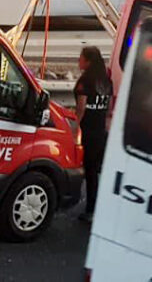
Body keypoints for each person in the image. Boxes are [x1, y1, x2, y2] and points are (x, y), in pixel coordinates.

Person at [74, 45, 113, 222]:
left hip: (88, 131)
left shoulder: (85, 81)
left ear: (88, 61)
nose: (78, 61)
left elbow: (81, 108)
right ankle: (98, 207)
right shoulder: (106, 81)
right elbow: (109, 109)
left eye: (81, 58)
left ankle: (90, 210)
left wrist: (74, 127)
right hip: (101, 131)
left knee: (88, 171)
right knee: (96, 172)